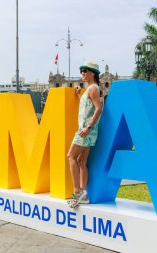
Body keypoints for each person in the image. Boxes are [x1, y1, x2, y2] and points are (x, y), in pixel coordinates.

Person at [67, 61, 102, 208]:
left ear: (93, 73)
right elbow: (86, 106)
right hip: (89, 131)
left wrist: (88, 127)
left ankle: (77, 192)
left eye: (85, 71)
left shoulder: (93, 89)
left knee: (70, 156)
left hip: (86, 131)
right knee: (82, 162)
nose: (83, 74)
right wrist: (78, 94)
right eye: (81, 71)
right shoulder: (90, 90)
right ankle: (84, 194)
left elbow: (98, 108)